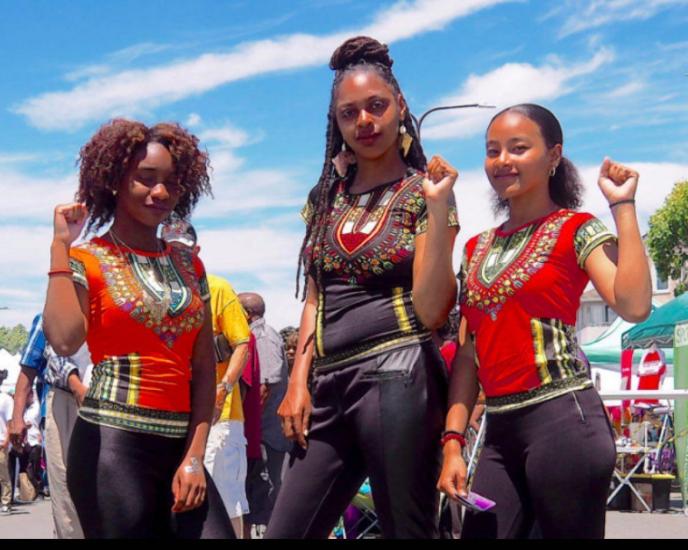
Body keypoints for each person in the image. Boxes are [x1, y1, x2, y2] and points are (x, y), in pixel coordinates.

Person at [266, 36, 459, 539]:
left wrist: (438, 211)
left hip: (399, 373)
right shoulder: (324, 199)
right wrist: (296, 382)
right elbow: (314, 296)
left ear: (400, 108)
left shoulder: (424, 192)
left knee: (408, 530)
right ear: (337, 123)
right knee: (288, 528)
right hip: (327, 383)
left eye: (376, 106)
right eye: (350, 113)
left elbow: (434, 309)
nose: (365, 122)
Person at [437, 103, 652, 539]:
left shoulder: (577, 229)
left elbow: (633, 304)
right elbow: (467, 354)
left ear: (554, 155)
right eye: (492, 150)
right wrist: (453, 442)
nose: (502, 161)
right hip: (498, 429)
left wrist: (623, 205)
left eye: (518, 148)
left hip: (564, 420)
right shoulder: (476, 248)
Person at [43, 119, 234, 539]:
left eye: (171, 182)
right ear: (114, 182)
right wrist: (61, 247)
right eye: (145, 180)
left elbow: (203, 369)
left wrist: (194, 457)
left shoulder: (190, 267)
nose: (160, 192)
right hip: (111, 448)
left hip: (181, 443)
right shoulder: (87, 260)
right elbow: (63, 339)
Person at [163, 219, 252, 539]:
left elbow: (243, 343)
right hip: (174, 416)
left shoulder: (217, 287)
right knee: (180, 500)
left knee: (225, 500)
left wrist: (223, 390)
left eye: (183, 251)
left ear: (197, 251)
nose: (176, 257)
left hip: (220, 417)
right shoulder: (157, 295)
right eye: (169, 249)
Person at [9, 313, 91, 538]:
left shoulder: (109, 309)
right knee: (64, 488)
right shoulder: (48, 318)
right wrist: (17, 418)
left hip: (106, 400)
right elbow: (27, 372)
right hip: (64, 402)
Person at [237, 292, 290, 536]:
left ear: (247, 313)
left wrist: (249, 425)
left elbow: (264, 388)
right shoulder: (252, 336)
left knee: (265, 493)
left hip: (267, 434)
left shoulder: (264, 337)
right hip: (258, 434)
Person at [0, 383, 12, 515]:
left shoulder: (5, 399)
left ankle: (6, 502)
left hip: (1, 441)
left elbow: (10, 422)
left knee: (3, 474)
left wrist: (7, 441)